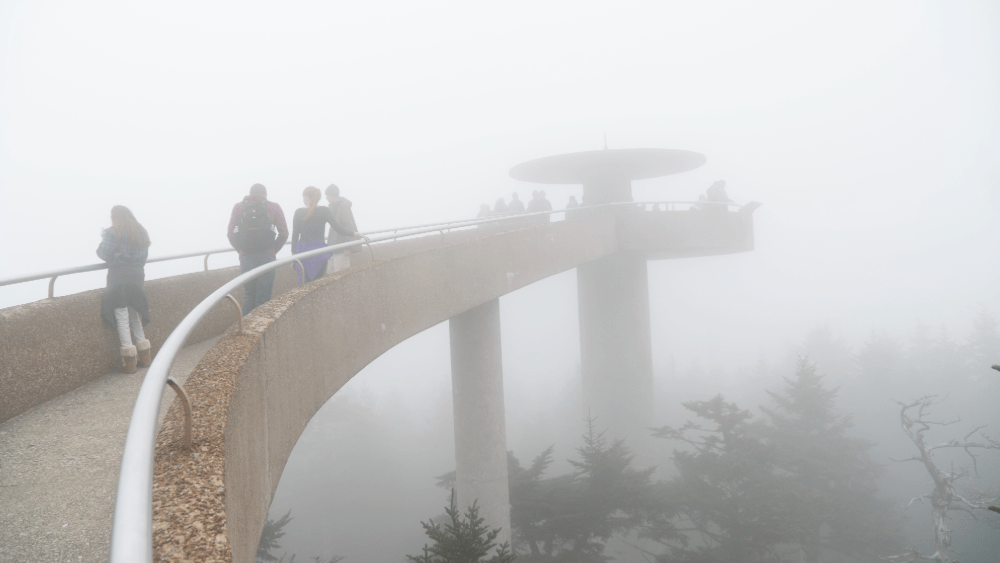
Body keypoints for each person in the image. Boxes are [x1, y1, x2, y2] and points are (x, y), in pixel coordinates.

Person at [97, 206, 152, 374]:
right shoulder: (141, 231)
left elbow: (103, 253)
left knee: (121, 316)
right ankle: (145, 357)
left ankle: (129, 363)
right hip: (136, 276)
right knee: (134, 314)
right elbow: (144, 257)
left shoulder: (114, 232)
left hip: (119, 276)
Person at [227, 183, 289, 315]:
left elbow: (230, 234)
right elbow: (284, 233)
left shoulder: (239, 207)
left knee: (249, 295)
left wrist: (241, 250)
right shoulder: (273, 207)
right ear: (265, 195)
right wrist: (272, 250)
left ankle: (245, 331)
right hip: (267, 257)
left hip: (246, 257)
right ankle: (260, 333)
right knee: (263, 298)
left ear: (250, 194)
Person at [291, 186, 360, 284]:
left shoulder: (298, 212)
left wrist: (293, 255)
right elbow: (339, 229)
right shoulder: (324, 210)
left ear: (306, 197)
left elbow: (295, 236)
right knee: (316, 284)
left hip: (303, 252)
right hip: (320, 252)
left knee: (304, 285)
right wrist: (355, 234)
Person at [325, 184, 361, 273]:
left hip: (341, 249)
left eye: (327, 196)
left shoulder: (342, 206)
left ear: (331, 196)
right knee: (331, 275)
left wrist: (347, 247)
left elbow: (349, 226)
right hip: (334, 249)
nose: (326, 198)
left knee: (341, 276)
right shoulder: (334, 208)